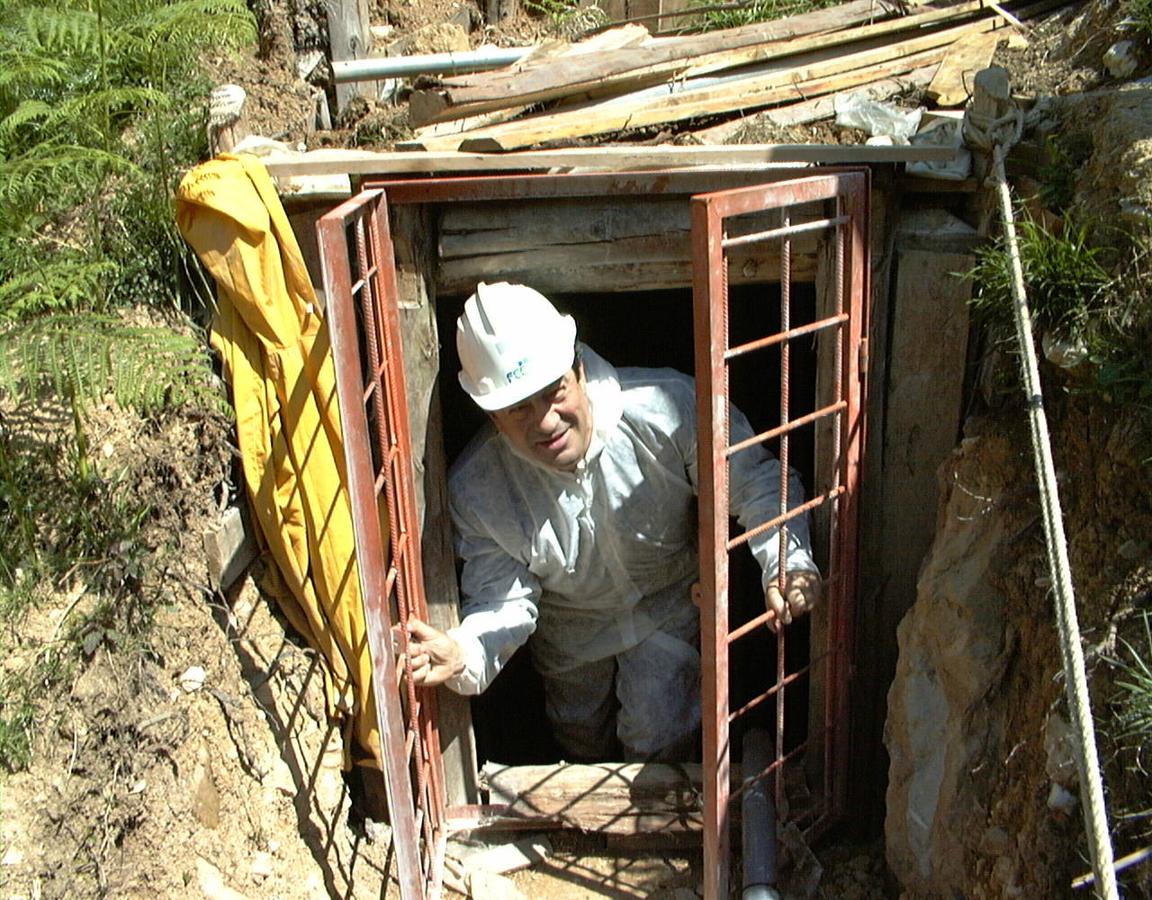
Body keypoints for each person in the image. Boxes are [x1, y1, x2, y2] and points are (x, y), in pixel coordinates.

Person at [401, 282, 821, 762]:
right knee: (579, 741)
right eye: (519, 408)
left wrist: (786, 559)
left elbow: (756, 483)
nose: (545, 422)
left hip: (667, 609)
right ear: (492, 416)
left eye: (553, 391)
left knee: (661, 740)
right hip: (570, 635)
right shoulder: (479, 490)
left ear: (578, 369)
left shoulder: (668, 409)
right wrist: (465, 654)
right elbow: (504, 599)